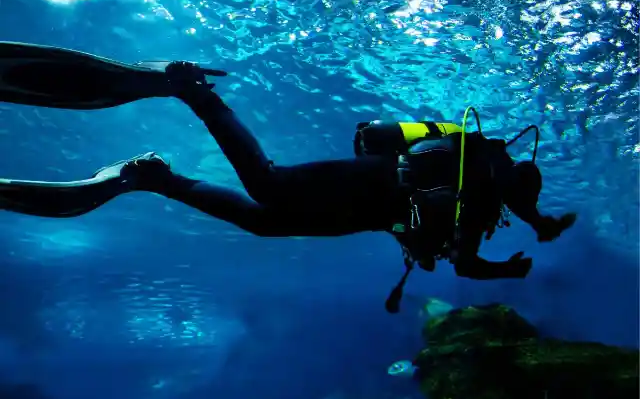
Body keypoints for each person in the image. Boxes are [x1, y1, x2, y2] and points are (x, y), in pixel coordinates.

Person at [0, 57, 576, 312]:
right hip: (374, 184)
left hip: (373, 209)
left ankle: (156, 176)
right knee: (268, 187)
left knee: (263, 221)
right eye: (525, 201)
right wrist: (520, 253)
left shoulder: (482, 195)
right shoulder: (484, 178)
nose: (524, 209)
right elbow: (484, 244)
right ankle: (194, 93)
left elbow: (475, 252)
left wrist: (518, 253)